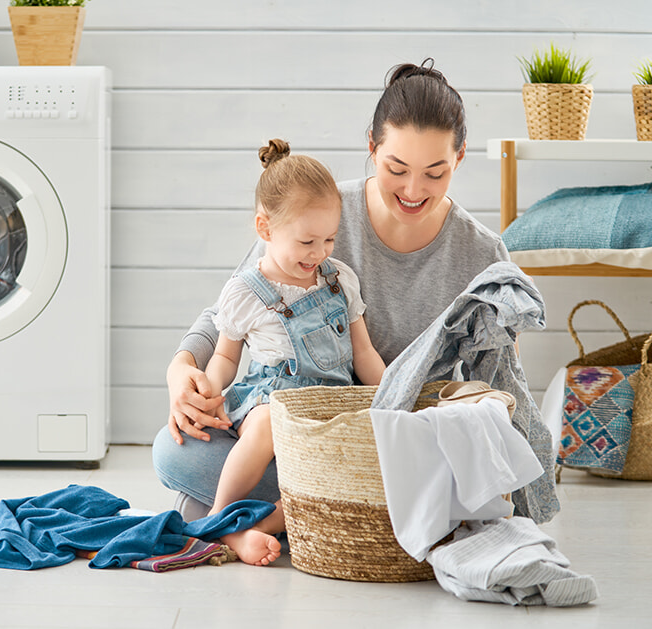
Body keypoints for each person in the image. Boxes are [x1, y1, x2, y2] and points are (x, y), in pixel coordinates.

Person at [152, 59, 512, 545]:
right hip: (296, 431)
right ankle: (299, 512)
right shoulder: (320, 212)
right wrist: (181, 371)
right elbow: (229, 313)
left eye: (435, 173)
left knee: (443, 473)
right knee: (174, 452)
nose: (412, 190)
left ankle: (256, 517)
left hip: (399, 442)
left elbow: (494, 385)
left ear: (461, 157)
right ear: (371, 147)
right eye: (396, 168)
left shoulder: (482, 254)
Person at [203, 139, 385, 565]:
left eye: (329, 239)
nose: (319, 253)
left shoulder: (339, 279)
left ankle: (252, 531)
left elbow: (363, 351)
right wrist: (210, 390)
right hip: (272, 397)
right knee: (269, 422)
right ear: (265, 229)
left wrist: (389, 396)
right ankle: (216, 518)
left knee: (339, 470)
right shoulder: (246, 291)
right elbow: (226, 357)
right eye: (307, 241)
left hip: (329, 401)